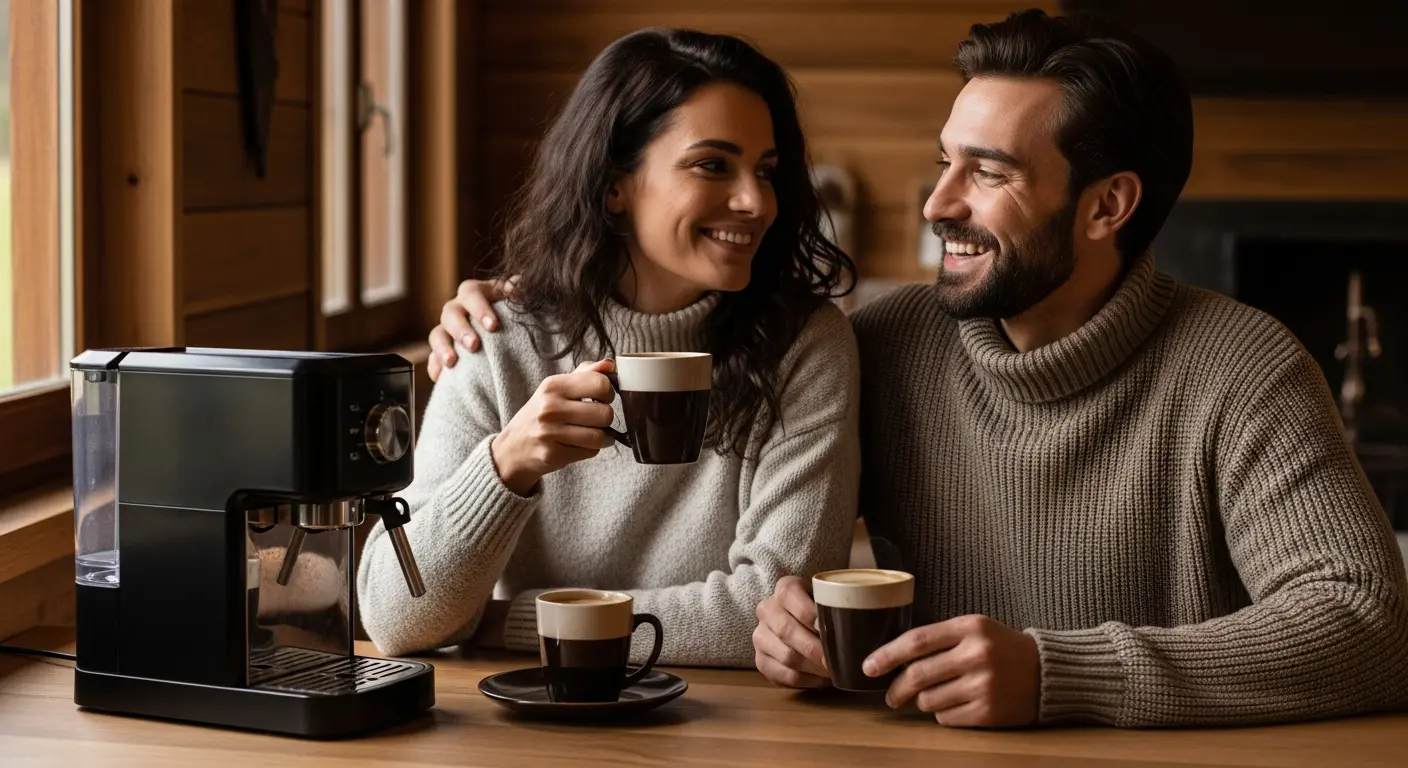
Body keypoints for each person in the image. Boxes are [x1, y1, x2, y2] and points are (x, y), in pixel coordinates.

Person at [436, 10, 1408, 728]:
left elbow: (1368, 622)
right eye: (944, 161)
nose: (938, 202)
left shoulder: (1243, 368)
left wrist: (1058, 673)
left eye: (986, 173)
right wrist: (516, 301)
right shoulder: (883, 342)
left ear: (1106, 206)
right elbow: (662, 315)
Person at [358, 28, 862, 667]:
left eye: (766, 171)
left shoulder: (806, 345)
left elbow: (775, 617)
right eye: (713, 164)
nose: (755, 201)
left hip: (728, 735)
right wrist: (507, 464)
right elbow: (395, 619)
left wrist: (502, 625)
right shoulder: (497, 338)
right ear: (614, 184)